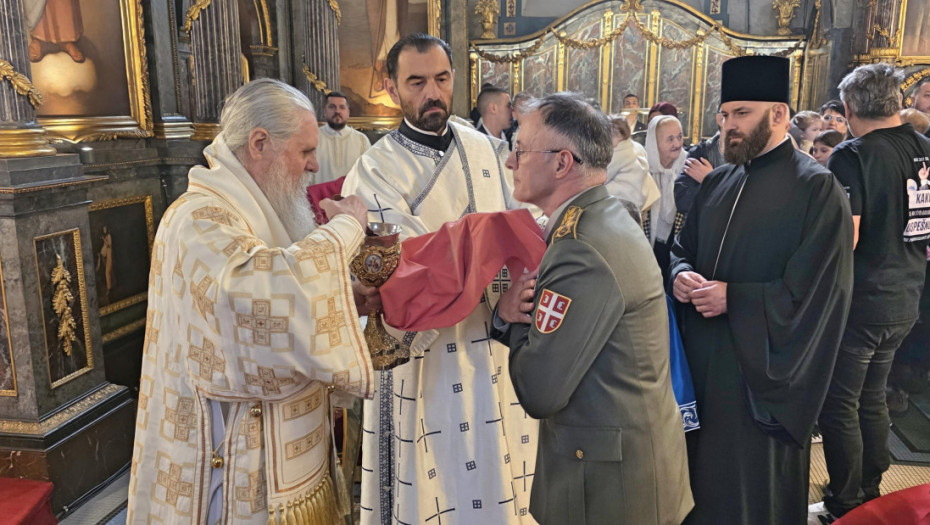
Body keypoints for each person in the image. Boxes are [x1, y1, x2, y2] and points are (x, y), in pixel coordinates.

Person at [127, 79, 376, 524]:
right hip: (232, 459)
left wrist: (344, 299)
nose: (315, 165)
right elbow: (256, 300)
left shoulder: (255, 208)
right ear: (260, 143)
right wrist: (345, 230)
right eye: (305, 151)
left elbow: (286, 295)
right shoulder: (198, 218)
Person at [342, 33, 538, 524]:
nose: (433, 92)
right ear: (391, 88)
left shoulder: (486, 148)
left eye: (442, 79)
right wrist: (495, 286)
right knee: (436, 484)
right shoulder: (374, 170)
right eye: (417, 82)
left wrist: (514, 289)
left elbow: (522, 224)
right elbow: (405, 274)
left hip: (497, 347)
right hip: (427, 359)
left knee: (500, 470)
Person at [492, 91, 693, 525]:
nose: (510, 162)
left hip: (610, 488)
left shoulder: (580, 248)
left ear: (562, 163)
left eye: (520, 150)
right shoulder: (604, 215)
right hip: (625, 465)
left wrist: (512, 317)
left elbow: (540, 391)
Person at [670, 55, 854, 525]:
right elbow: (680, 248)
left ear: (778, 114)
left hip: (761, 380)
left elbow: (821, 296)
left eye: (742, 113)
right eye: (724, 115)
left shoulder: (817, 189)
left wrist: (735, 298)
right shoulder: (719, 180)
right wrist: (680, 274)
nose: (728, 126)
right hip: (701, 368)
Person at [812, 63, 930, 522]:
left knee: (841, 402)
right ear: (897, 101)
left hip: (863, 300)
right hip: (908, 294)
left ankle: (844, 501)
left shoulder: (853, 155)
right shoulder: (924, 148)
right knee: (873, 395)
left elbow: (849, 236)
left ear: (848, 108)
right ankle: (871, 488)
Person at [645, 115, 687, 282]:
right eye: (670, 139)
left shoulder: (689, 167)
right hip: (649, 245)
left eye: (679, 136)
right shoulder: (643, 169)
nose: (677, 143)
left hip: (678, 246)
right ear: (654, 143)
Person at [605, 115, 657, 220]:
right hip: (638, 196)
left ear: (619, 135)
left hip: (623, 198)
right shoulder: (636, 147)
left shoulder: (619, 151)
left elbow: (605, 175)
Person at [675, 110, 725, 218]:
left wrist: (711, 180)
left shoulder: (753, 157)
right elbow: (683, 201)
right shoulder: (700, 153)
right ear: (720, 119)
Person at [315, 91, 372, 183]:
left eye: (342, 107)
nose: (337, 111)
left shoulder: (362, 140)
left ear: (348, 112)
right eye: (332, 107)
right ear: (324, 111)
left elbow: (368, 174)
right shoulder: (313, 137)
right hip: (319, 192)